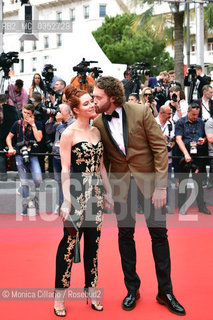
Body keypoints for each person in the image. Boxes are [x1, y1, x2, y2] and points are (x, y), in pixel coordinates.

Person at [93, 76, 185, 316]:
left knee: (159, 236)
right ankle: (132, 289)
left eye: (97, 97)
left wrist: (161, 186)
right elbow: (102, 161)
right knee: (125, 236)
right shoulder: (97, 123)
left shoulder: (141, 111)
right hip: (121, 186)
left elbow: (159, 149)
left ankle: (165, 291)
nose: (94, 100)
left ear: (112, 97)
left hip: (150, 184)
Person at [54, 85, 114, 317]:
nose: (93, 105)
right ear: (76, 109)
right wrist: (67, 201)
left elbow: (101, 167)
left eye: (93, 101)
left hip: (96, 197)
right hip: (77, 197)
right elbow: (65, 170)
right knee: (68, 246)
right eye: (88, 103)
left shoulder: (97, 132)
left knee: (93, 245)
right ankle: (60, 296)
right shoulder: (68, 134)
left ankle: (92, 289)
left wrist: (108, 192)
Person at [6, 104, 43, 215]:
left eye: (28, 114)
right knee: (24, 181)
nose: (26, 115)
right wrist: (11, 148)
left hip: (32, 154)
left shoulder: (38, 124)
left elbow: (39, 138)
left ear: (33, 114)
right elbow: (9, 137)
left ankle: (22, 189)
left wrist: (33, 125)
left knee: (38, 179)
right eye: (24, 112)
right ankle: (25, 207)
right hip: (19, 154)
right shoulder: (17, 124)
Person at [175, 103, 211, 215]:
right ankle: (182, 206)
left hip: (198, 154)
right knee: (183, 182)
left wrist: (203, 140)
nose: (195, 116)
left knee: (199, 181)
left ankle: (201, 206)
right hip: (184, 154)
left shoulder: (201, 122)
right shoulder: (180, 122)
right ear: (188, 112)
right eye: (193, 114)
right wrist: (186, 154)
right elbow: (178, 139)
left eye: (197, 114)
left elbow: (206, 136)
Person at [45, 103, 75, 214]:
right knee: (58, 181)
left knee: (68, 181)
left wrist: (59, 123)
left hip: (67, 157)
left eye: (60, 110)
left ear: (67, 112)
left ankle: (70, 205)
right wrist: (51, 119)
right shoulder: (59, 123)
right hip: (56, 156)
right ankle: (60, 204)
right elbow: (48, 131)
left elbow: (67, 134)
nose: (57, 112)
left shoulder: (73, 123)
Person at [0, 94, 18, 181]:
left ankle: (2, 175)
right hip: (12, 133)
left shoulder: (2, 109)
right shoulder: (13, 109)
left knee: (1, 154)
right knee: (13, 152)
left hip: (2, 134)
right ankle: (15, 171)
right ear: (7, 100)